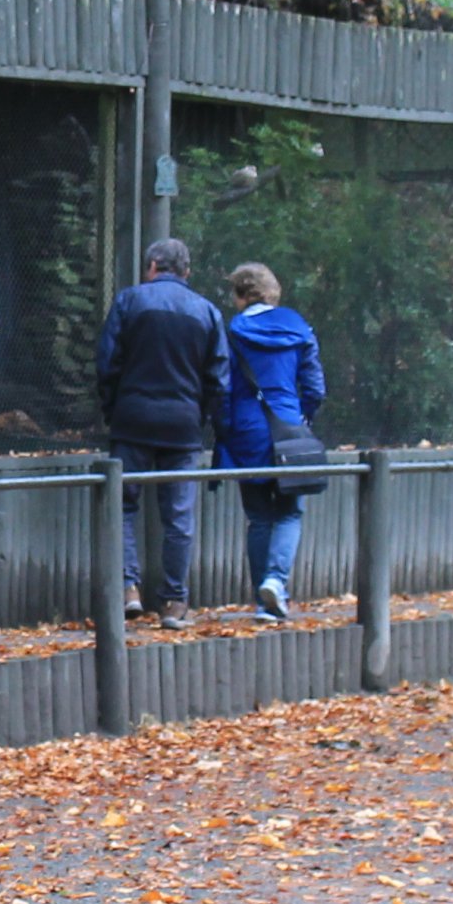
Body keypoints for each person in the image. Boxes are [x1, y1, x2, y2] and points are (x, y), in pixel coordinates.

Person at [94, 238, 227, 627]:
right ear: (187, 272)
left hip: (133, 419)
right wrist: (202, 418)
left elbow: (108, 362)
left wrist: (114, 409)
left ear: (152, 265)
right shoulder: (207, 311)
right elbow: (219, 378)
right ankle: (174, 602)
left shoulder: (129, 301)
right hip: (182, 426)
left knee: (122, 505)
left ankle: (127, 589)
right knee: (178, 515)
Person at [219, 261, 326, 621]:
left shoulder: (233, 332)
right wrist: (301, 419)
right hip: (288, 427)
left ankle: (262, 602)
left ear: (241, 295)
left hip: (247, 431)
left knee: (259, 517)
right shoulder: (298, 327)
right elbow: (315, 387)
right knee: (290, 511)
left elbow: (222, 385)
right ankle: (276, 582)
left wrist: (227, 426)